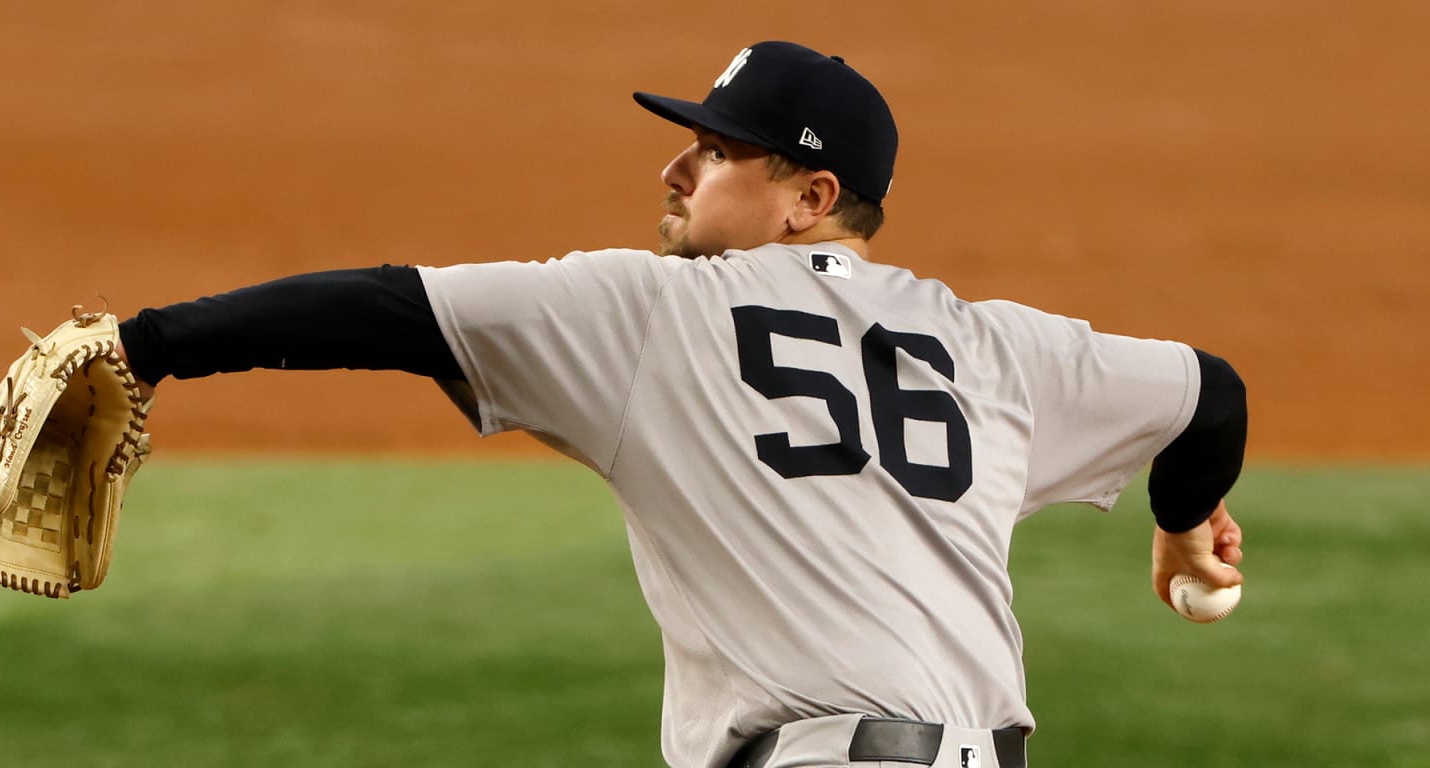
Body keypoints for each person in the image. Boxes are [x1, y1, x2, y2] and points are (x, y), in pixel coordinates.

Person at [115, 41, 1247, 768]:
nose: (674, 171)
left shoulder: (656, 309)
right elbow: (1211, 396)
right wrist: (1183, 520)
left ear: (808, 198)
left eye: (714, 153)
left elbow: (386, 310)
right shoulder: (999, 346)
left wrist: (143, 347)